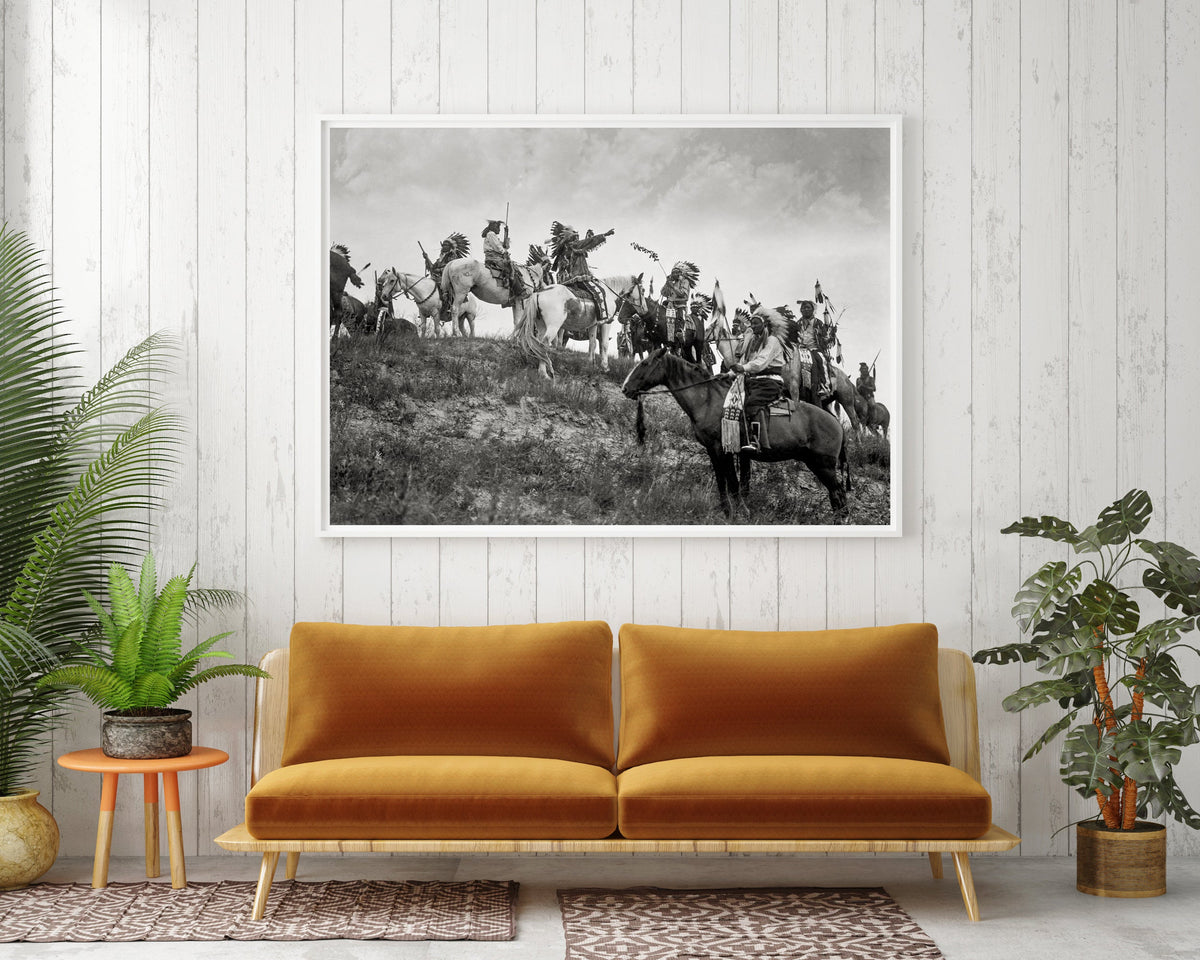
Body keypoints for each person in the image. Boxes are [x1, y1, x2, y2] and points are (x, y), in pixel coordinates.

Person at [731, 309, 786, 453]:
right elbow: (744, 361)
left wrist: (743, 368)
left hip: (770, 382)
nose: (753, 326)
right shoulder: (752, 342)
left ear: (765, 325)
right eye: (751, 324)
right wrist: (728, 374)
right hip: (753, 381)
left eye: (756, 324)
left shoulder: (772, 341)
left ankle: (756, 441)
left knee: (752, 402)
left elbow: (761, 362)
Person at [423, 234, 468, 325]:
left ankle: (450, 306)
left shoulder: (452, 256)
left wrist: (438, 270)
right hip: (437, 277)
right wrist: (426, 258)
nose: (443, 247)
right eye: (443, 245)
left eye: (446, 245)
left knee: (445, 289)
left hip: (447, 278)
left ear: (450, 247)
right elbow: (432, 267)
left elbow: (449, 267)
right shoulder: (440, 258)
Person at [548, 222, 614, 281]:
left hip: (563, 277)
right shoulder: (574, 245)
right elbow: (590, 240)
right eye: (576, 236)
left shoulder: (563, 248)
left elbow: (588, 241)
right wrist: (605, 234)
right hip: (577, 274)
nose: (577, 238)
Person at [796, 300, 832, 403]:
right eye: (803, 308)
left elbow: (825, 337)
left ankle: (825, 386)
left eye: (808, 307)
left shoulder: (818, 323)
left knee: (821, 360)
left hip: (814, 349)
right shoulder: (798, 323)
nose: (805, 309)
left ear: (813, 310)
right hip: (800, 350)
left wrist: (827, 337)